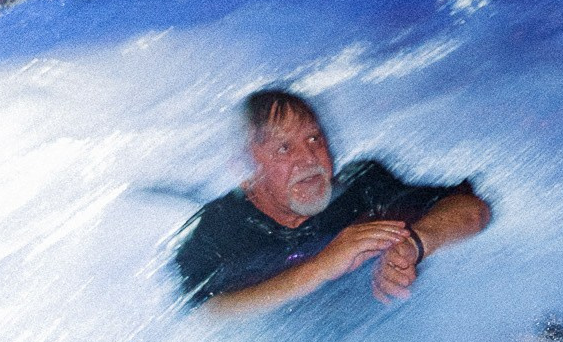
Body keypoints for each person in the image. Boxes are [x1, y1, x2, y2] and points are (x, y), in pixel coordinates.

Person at [174, 89, 491, 315]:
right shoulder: (218, 231)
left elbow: (472, 209)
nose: (309, 158)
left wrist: (414, 245)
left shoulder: (361, 189)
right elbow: (203, 316)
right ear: (247, 169)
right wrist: (322, 266)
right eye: (284, 148)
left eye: (315, 139)